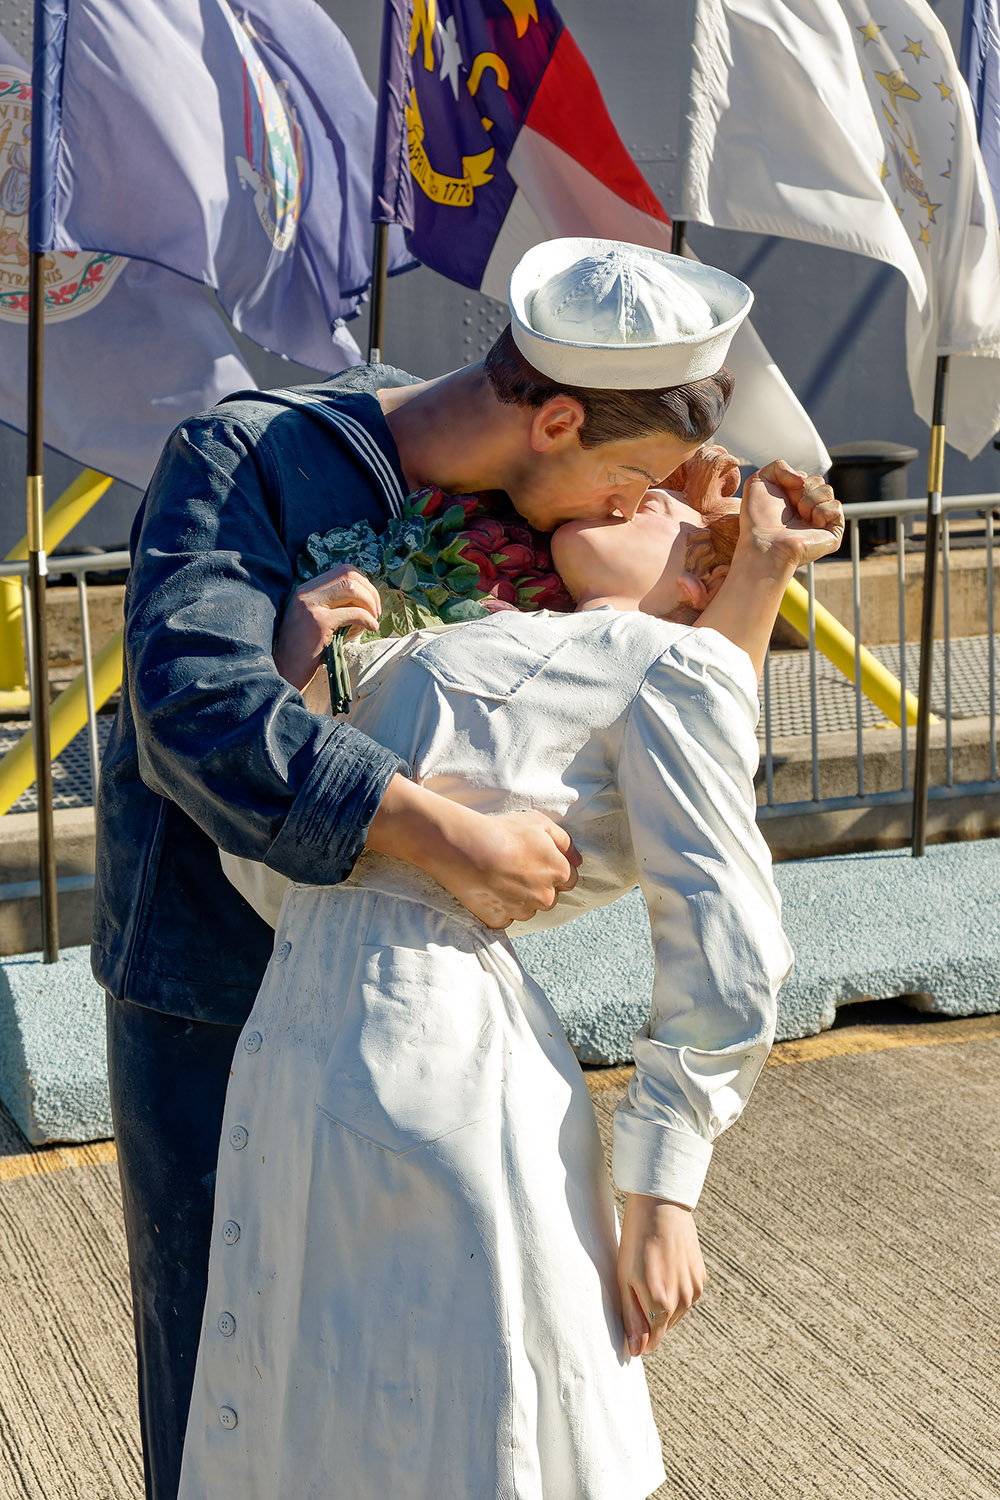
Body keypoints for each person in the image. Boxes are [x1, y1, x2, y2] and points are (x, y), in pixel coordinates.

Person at [93, 233, 800, 1499]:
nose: (638, 506)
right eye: (631, 476)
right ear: (556, 420)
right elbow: (192, 711)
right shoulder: (251, 459)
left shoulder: (567, 541)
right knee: (227, 1380)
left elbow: (675, 761)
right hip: (214, 984)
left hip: (432, 1023)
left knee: (437, 1400)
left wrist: (746, 570)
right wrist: (437, 831)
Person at [176, 460, 843, 1499]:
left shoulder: (659, 659)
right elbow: (272, 872)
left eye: (661, 508)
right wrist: (294, 677)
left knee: (471, 1427)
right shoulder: (466, 633)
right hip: (294, 1061)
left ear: (700, 585)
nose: (634, 499)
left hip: (443, 1059)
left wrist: (664, 1190)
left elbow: (723, 924)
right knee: (311, 1433)